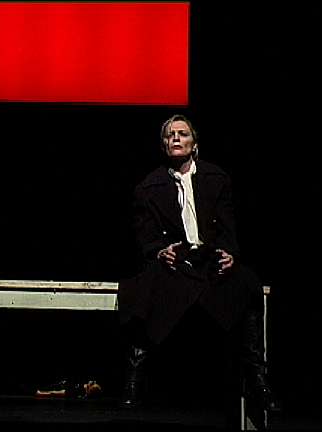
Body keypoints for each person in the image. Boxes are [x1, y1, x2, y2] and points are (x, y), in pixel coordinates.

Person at [118, 114, 272, 425]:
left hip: (209, 260)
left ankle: (257, 378)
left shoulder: (216, 178)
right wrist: (159, 251)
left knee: (248, 284)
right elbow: (145, 235)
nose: (176, 138)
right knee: (143, 287)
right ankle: (134, 376)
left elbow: (228, 226)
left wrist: (229, 254)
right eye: (170, 135)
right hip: (176, 262)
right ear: (163, 145)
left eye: (182, 133)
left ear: (194, 143)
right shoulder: (149, 187)